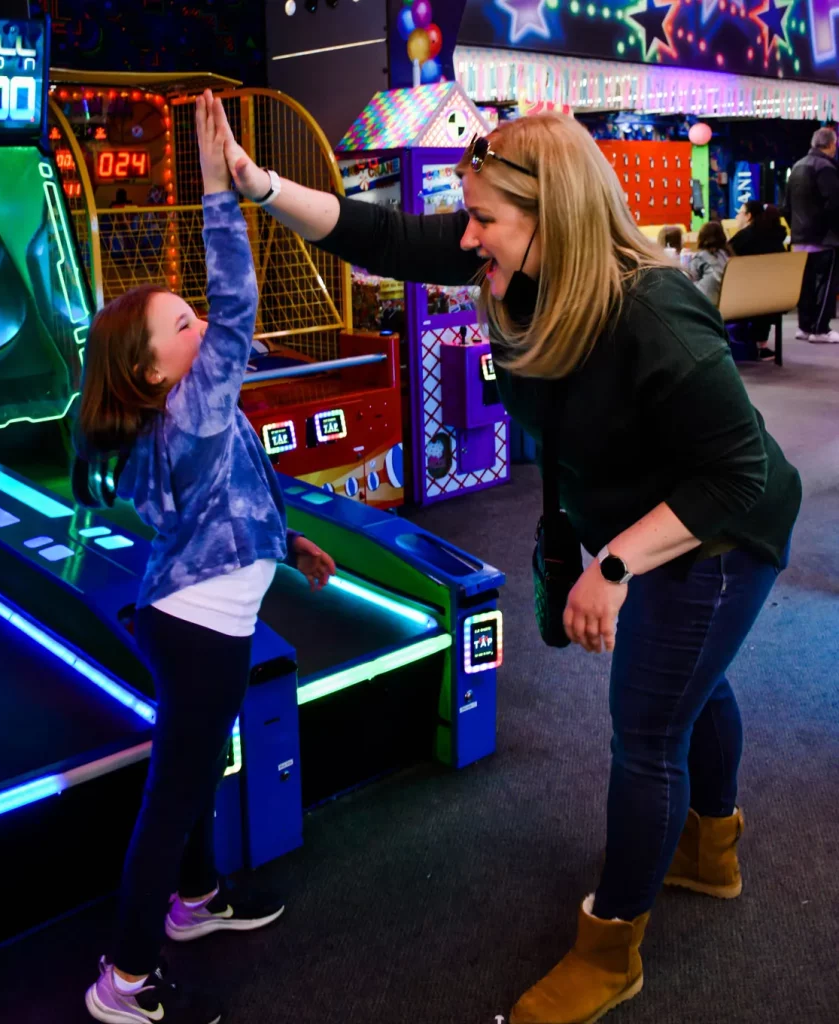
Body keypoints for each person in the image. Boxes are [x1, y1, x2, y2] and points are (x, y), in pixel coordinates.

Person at [222, 114, 800, 1023]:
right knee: (696, 679)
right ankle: (710, 850)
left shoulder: (651, 309)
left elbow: (738, 474)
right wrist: (260, 185)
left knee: (645, 731)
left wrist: (610, 567)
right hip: (648, 516)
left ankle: (610, 950)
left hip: (719, 531)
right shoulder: (522, 270)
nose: (464, 235)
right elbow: (380, 234)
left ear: (550, 216)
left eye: (483, 218)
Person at [76, 91, 336, 1024]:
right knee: (175, 789)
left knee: (190, 770)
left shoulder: (193, 424)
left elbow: (235, 503)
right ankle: (125, 978)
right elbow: (238, 305)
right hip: (199, 632)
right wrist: (223, 186)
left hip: (197, 616)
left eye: (191, 318)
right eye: (180, 328)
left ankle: (191, 904)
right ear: (153, 373)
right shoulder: (185, 413)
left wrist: (290, 542)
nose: (205, 332)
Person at [784, 126, 839, 343]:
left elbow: (786, 206)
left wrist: (795, 229)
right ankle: (820, 329)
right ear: (831, 145)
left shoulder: (797, 166)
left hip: (799, 237)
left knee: (805, 284)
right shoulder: (825, 168)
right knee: (826, 283)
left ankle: (804, 326)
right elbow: (834, 204)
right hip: (824, 238)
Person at [729, 201, 788, 359]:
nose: (736, 216)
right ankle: (760, 344)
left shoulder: (743, 238)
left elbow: (724, 260)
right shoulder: (776, 239)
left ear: (748, 216)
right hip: (775, 300)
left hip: (742, 300)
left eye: (740, 212)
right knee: (764, 287)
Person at [688, 220, 731, 305]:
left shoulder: (700, 257)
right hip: (725, 301)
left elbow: (689, 279)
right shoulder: (726, 255)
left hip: (705, 302)